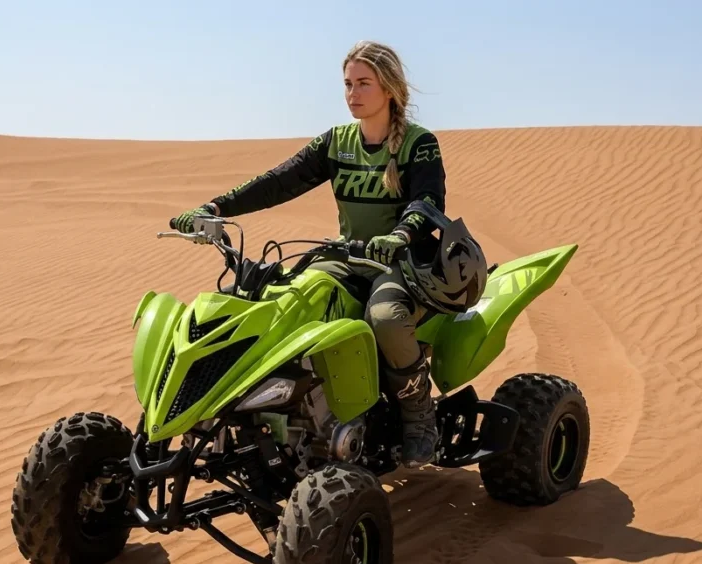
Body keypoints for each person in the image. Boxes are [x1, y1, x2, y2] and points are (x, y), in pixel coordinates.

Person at [171, 40, 487, 468]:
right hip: (344, 257)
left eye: (363, 83)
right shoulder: (337, 142)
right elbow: (279, 181)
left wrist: (400, 235)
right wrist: (216, 208)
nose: (353, 93)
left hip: (403, 265)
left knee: (386, 319)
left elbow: (428, 202)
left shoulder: (418, 143)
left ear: (389, 88)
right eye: (347, 84)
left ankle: (419, 417)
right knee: (282, 300)